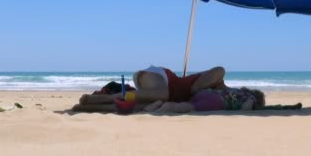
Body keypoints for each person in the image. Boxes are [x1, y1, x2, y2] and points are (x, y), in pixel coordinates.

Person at [72, 65, 227, 112]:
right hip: (162, 77)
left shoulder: (215, 97)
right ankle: (104, 97)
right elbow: (196, 87)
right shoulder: (219, 74)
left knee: (137, 107)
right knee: (163, 95)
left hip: (163, 92)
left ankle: (93, 106)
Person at [146, 87, 266, 113]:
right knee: (188, 107)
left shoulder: (239, 92)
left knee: (189, 103)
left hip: (207, 92)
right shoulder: (251, 98)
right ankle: (165, 107)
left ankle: (157, 104)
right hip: (216, 101)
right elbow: (245, 108)